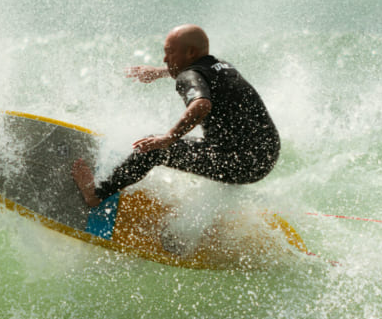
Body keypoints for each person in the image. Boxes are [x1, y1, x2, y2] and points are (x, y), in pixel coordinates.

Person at [72, 24, 280, 208]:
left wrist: (168, 138)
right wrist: (160, 72)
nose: (165, 58)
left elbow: (201, 104)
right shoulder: (221, 65)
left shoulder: (189, 76)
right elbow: (195, 73)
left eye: (169, 52)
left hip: (239, 160)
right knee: (196, 146)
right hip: (264, 155)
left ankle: (96, 194)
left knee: (153, 149)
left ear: (190, 53)